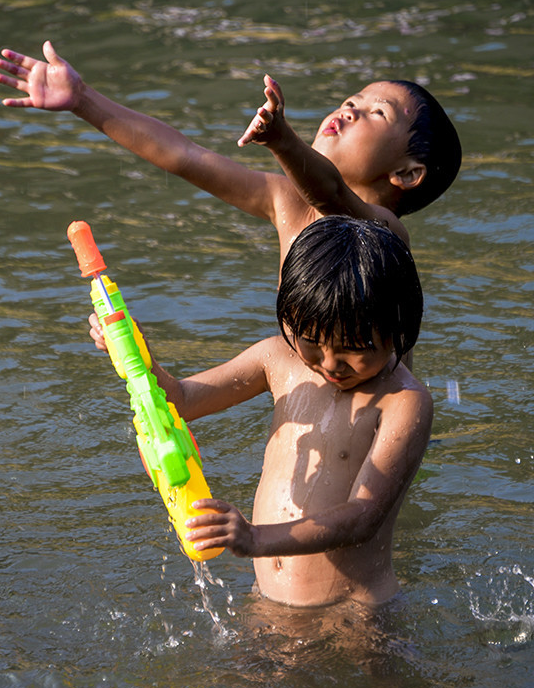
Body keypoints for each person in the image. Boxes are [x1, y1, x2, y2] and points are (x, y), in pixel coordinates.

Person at [87, 216, 432, 608]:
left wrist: (254, 539)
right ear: (290, 318)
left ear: (397, 327)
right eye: (313, 342)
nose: (332, 362)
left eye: (355, 347)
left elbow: (363, 516)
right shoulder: (277, 360)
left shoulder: (403, 401)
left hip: (352, 613)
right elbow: (180, 400)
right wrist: (135, 353)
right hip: (267, 602)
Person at [0, 41, 461, 266]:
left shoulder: (387, 235)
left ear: (406, 173)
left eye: (377, 113)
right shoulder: (287, 204)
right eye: (350, 101)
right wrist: (83, 100)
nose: (350, 109)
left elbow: (335, 195)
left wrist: (283, 140)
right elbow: (184, 155)